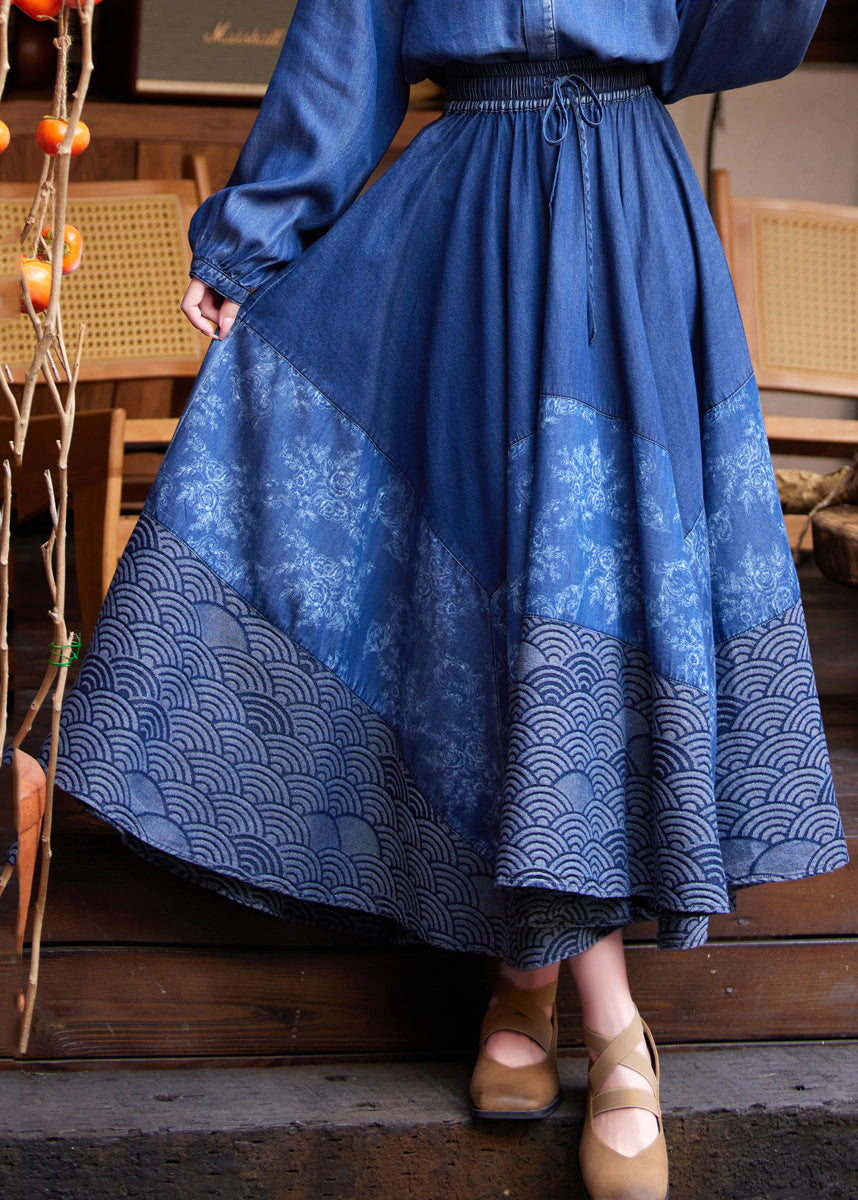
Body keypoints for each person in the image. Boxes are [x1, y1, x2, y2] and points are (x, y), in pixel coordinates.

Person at [56, 3, 848, 1198]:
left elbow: (745, 27)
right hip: (466, 227)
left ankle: (527, 986)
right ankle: (608, 1024)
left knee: (589, 594)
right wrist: (253, 238)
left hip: (629, 213)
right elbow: (347, 45)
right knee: (493, 603)